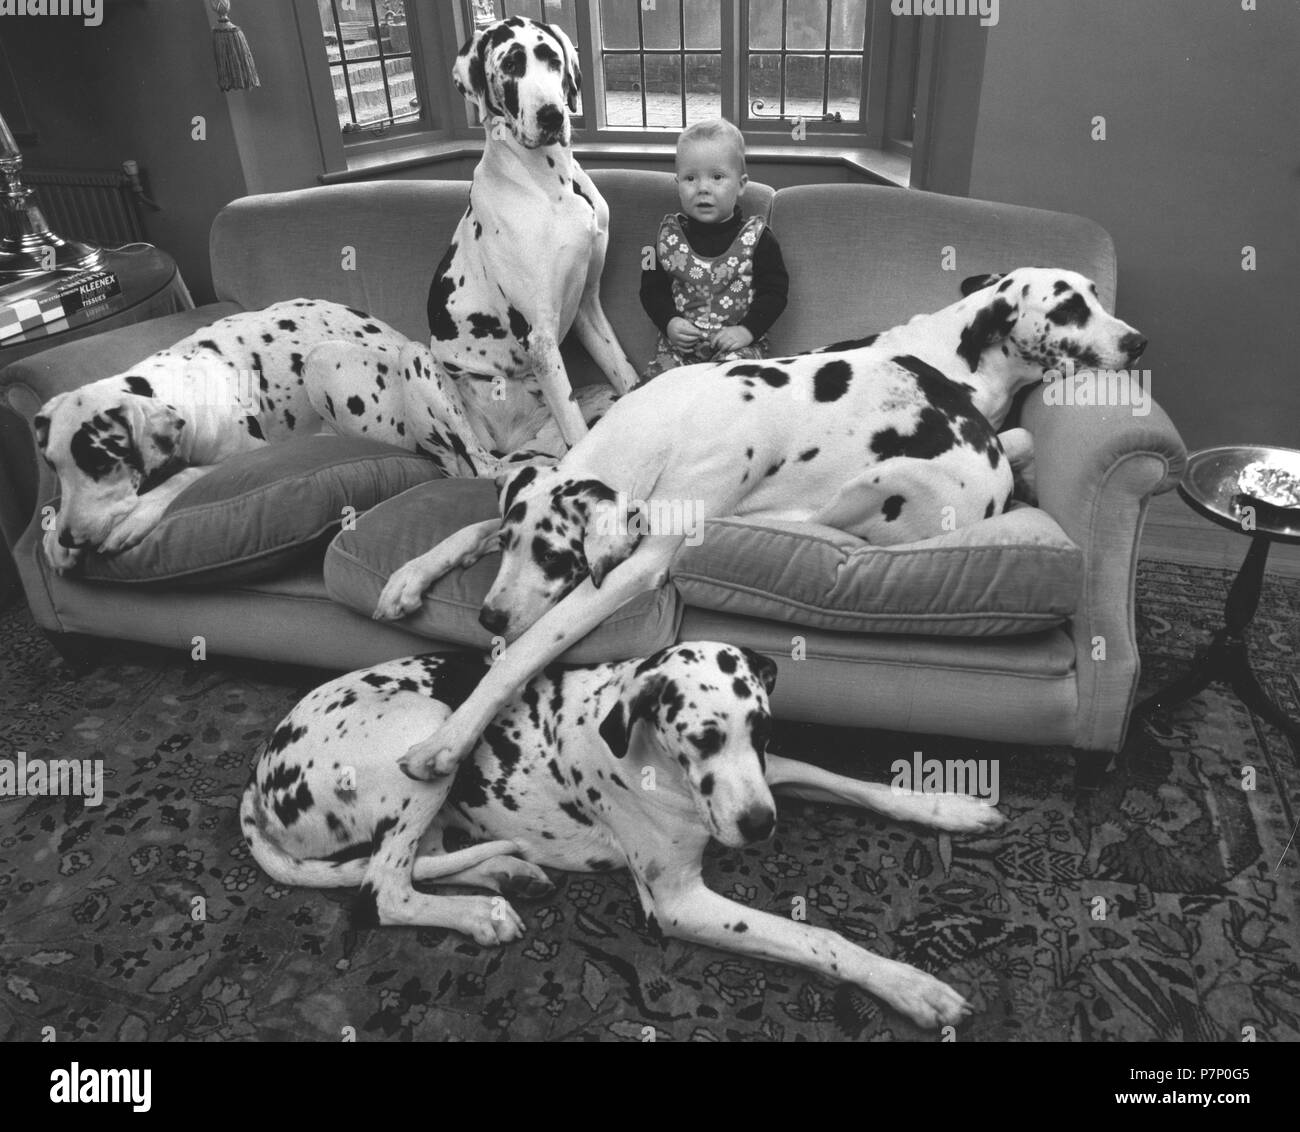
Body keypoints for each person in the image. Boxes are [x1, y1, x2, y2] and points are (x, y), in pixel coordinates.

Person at [639, 118, 789, 380]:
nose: (703, 188)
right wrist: (669, 322)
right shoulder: (662, 240)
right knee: (653, 393)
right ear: (677, 184)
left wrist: (747, 331)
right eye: (690, 178)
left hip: (738, 349)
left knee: (733, 389)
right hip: (680, 351)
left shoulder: (760, 239)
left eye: (717, 177)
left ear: (741, 184)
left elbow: (776, 293)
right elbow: (649, 290)